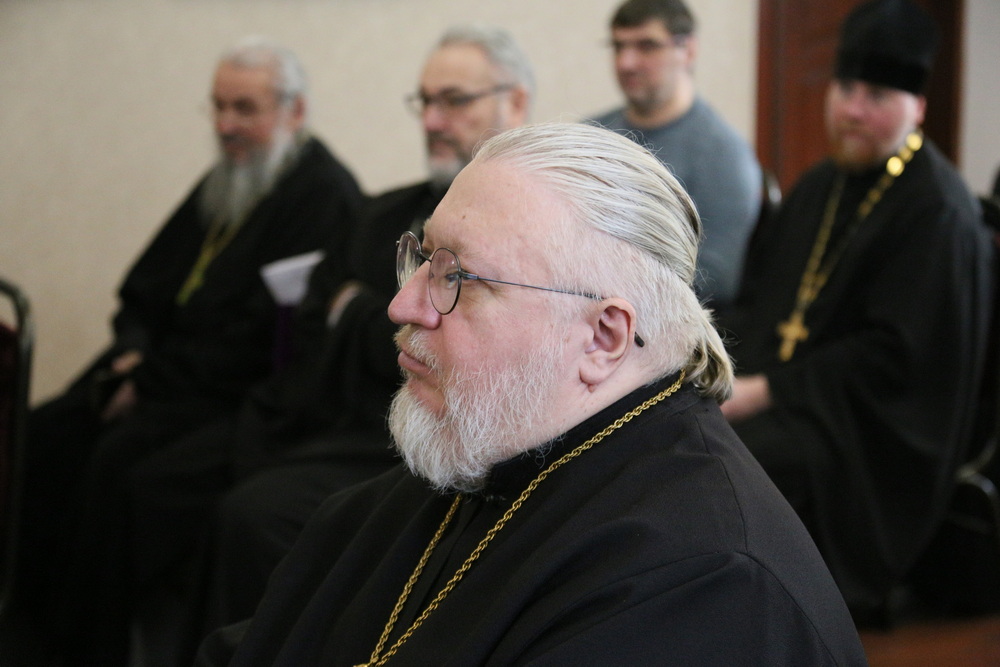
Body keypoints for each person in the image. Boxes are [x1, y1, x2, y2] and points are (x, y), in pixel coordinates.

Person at [196, 122, 867, 666]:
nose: (403, 305)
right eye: (423, 258)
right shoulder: (487, 457)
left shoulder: (705, 585)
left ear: (602, 337)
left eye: (457, 277)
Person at [124, 24, 534, 664]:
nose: (431, 120)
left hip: (441, 440)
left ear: (516, 103)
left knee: (254, 513)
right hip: (338, 420)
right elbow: (319, 329)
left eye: (454, 100)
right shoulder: (380, 214)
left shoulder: (530, 232)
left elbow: (464, 346)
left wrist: (361, 312)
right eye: (425, 101)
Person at [16, 36, 363, 665]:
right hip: (158, 372)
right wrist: (132, 350)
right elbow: (146, 285)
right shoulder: (229, 178)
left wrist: (146, 380)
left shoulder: (325, 196)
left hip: (223, 394)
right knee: (42, 436)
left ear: (294, 110)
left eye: (244, 109)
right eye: (218, 107)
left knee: (123, 472)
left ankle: (88, 648)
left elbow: (262, 340)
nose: (226, 126)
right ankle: (26, 628)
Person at [718, 0, 994, 626]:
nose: (852, 110)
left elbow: (896, 363)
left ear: (917, 107)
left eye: (876, 95)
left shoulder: (938, 213)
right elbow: (761, 302)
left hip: (866, 443)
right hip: (795, 402)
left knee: (741, 461)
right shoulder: (819, 186)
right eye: (844, 88)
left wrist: (764, 391)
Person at [590, 0, 761, 307]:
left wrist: (601, 281)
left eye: (646, 46)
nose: (626, 62)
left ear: (688, 51)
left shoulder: (723, 155)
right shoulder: (590, 135)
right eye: (618, 46)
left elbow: (716, 279)